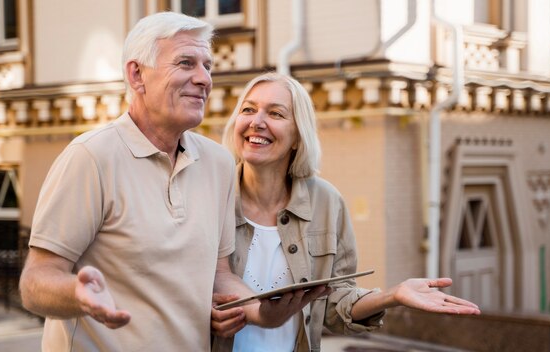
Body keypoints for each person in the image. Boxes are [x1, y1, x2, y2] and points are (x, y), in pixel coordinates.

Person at [18, 13, 328, 351]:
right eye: (186, 63)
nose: (204, 79)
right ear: (137, 75)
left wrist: (262, 311)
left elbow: (220, 276)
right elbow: (36, 282)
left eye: (207, 66)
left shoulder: (219, 164)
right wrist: (77, 294)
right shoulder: (89, 158)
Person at [210, 72, 481, 352]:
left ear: (297, 136)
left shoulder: (326, 202)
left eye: (276, 114)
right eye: (248, 110)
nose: (257, 122)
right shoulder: (211, 194)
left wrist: (393, 295)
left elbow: (336, 304)